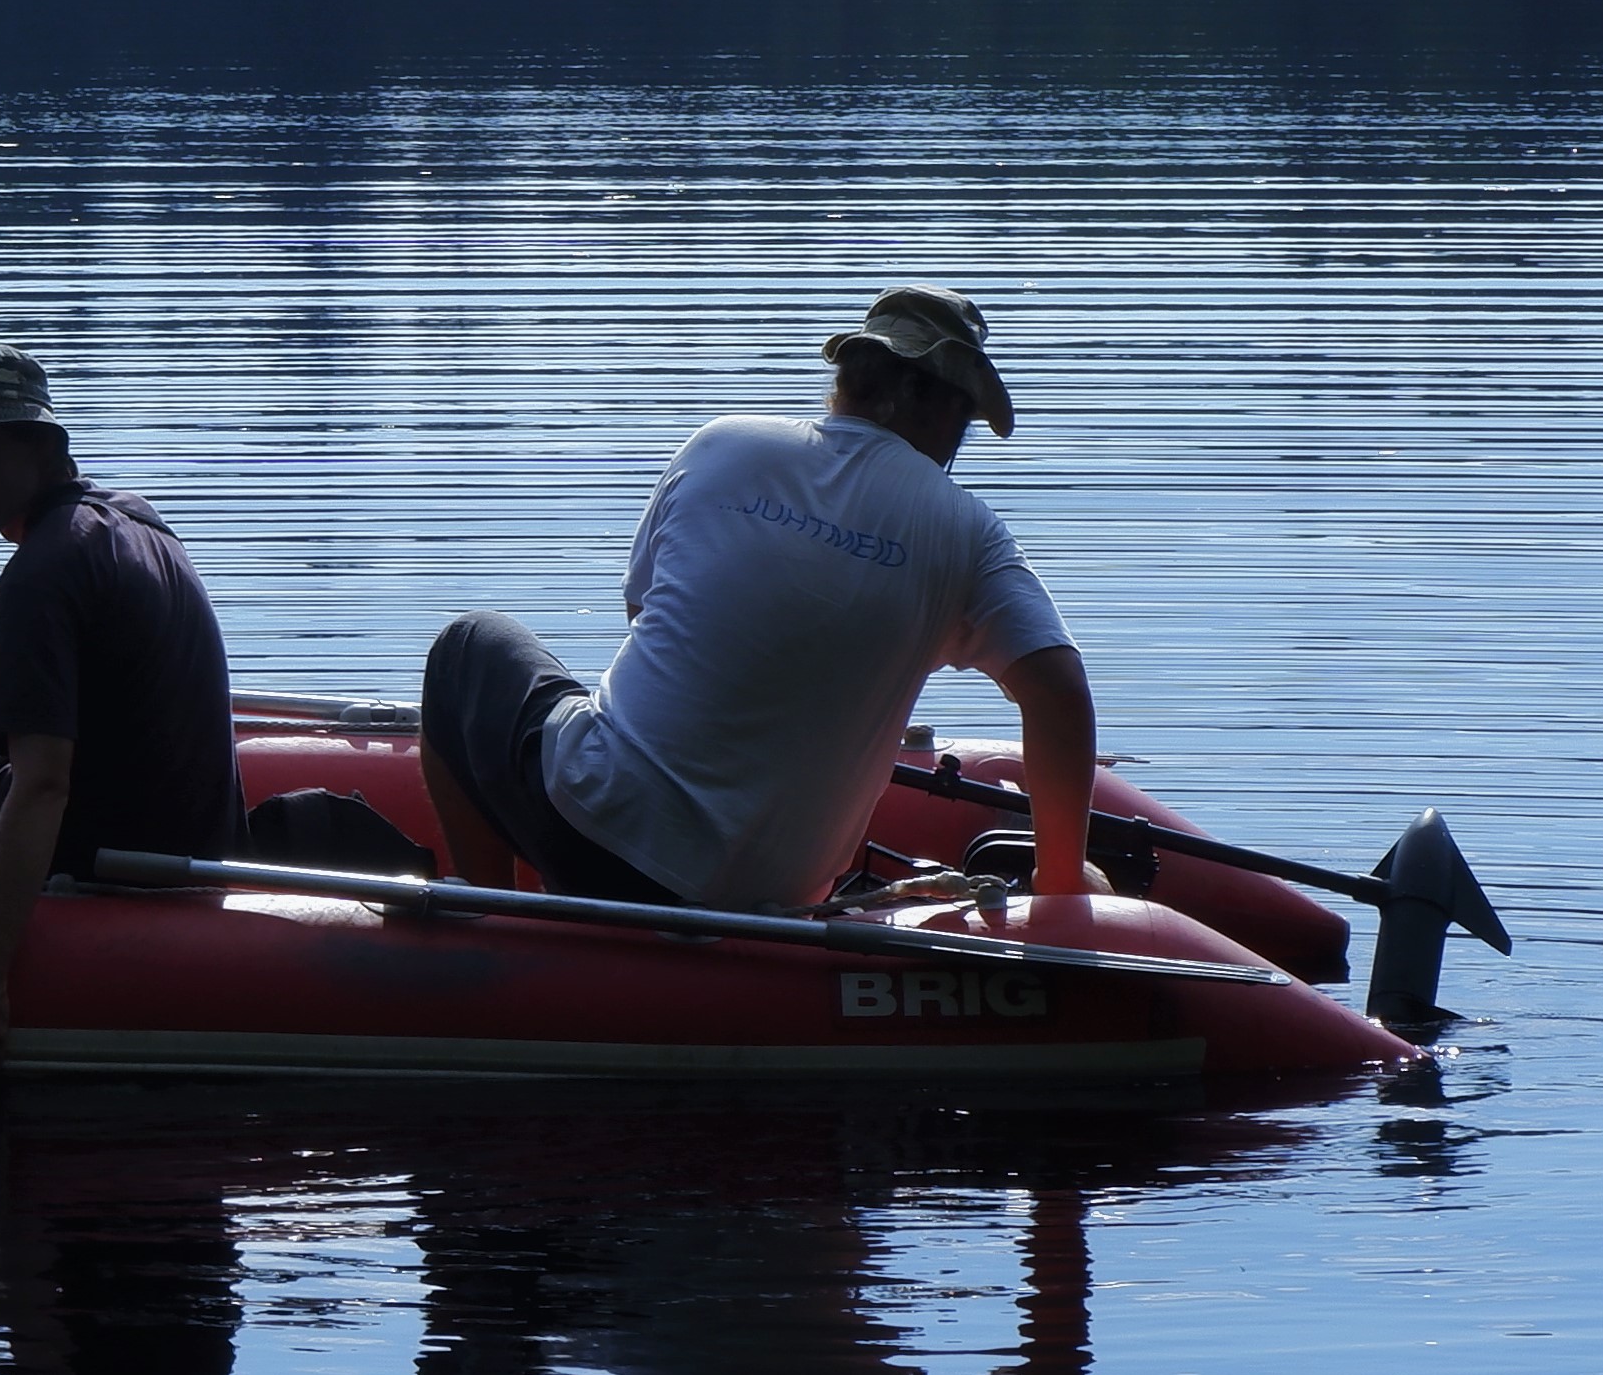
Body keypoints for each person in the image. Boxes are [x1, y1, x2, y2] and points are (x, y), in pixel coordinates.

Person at [416, 287, 1103, 914]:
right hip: (774, 898)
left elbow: (652, 617)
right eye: (965, 423)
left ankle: (495, 924)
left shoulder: (722, 445)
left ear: (851, 379)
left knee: (465, 648)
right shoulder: (969, 531)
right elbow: (1061, 694)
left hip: (594, 839)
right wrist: (1063, 882)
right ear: (946, 406)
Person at [0, 345, 239, 1074]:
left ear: (41, 444)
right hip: (191, 844)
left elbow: (43, 784)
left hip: (91, 851)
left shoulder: (38, 577)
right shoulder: (138, 522)